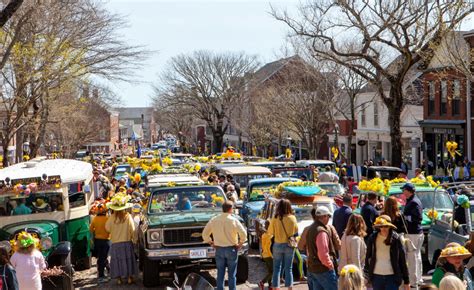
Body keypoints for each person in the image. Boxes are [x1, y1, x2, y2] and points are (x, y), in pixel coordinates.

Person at [202, 201, 247, 290]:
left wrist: (211, 242)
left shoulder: (214, 219)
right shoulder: (234, 220)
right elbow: (244, 234)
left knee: (220, 273)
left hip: (219, 249)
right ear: (231, 209)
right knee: (232, 274)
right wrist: (240, 244)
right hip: (231, 248)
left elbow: (204, 234)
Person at [364, 215, 410, 290]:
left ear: (390, 227)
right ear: (379, 227)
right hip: (376, 276)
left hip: (392, 277)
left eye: (386, 226)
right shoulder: (372, 238)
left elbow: (403, 260)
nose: (383, 229)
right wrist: (366, 276)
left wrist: (406, 281)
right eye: (381, 226)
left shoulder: (396, 238)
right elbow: (368, 257)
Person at [105, 193, 138, 285]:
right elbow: (133, 229)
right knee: (128, 260)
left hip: (115, 244)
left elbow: (107, 228)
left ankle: (119, 279)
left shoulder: (111, 218)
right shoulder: (128, 217)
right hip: (127, 243)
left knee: (117, 261)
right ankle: (129, 278)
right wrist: (134, 240)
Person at [267, 199, 298, 290]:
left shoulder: (275, 218)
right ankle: (290, 287)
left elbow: (270, 232)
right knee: (289, 268)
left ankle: (276, 287)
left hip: (278, 244)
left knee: (277, 268)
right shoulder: (292, 218)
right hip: (289, 245)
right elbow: (296, 231)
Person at [305, 205, 337, 290]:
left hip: (313, 268)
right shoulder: (321, 231)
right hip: (323, 269)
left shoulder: (311, 228)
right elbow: (323, 254)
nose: (329, 218)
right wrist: (330, 265)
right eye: (328, 216)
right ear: (324, 216)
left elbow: (308, 249)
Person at [401, 182, 424, 288]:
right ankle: (418, 279)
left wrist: (405, 217)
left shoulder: (414, 202)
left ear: (408, 191)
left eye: (404, 190)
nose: (403, 192)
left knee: (412, 258)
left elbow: (418, 218)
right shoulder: (413, 200)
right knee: (416, 256)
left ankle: (414, 282)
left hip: (413, 233)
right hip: (416, 233)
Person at [90, 200, 110, 283]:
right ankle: (101, 276)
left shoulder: (95, 219)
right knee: (103, 258)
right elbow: (110, 229)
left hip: (97, 241)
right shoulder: (107, 218)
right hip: (106, 241)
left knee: (101, 257)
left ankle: (107, 270)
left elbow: (91, 229)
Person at [258, 221, 273, 290]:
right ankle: (262, 282)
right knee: (273, 271)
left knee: (270, 271)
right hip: (270, 255)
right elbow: (269, 247)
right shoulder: (270, 235)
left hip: (265, 255)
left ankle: (270, 286)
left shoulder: (264, 235)